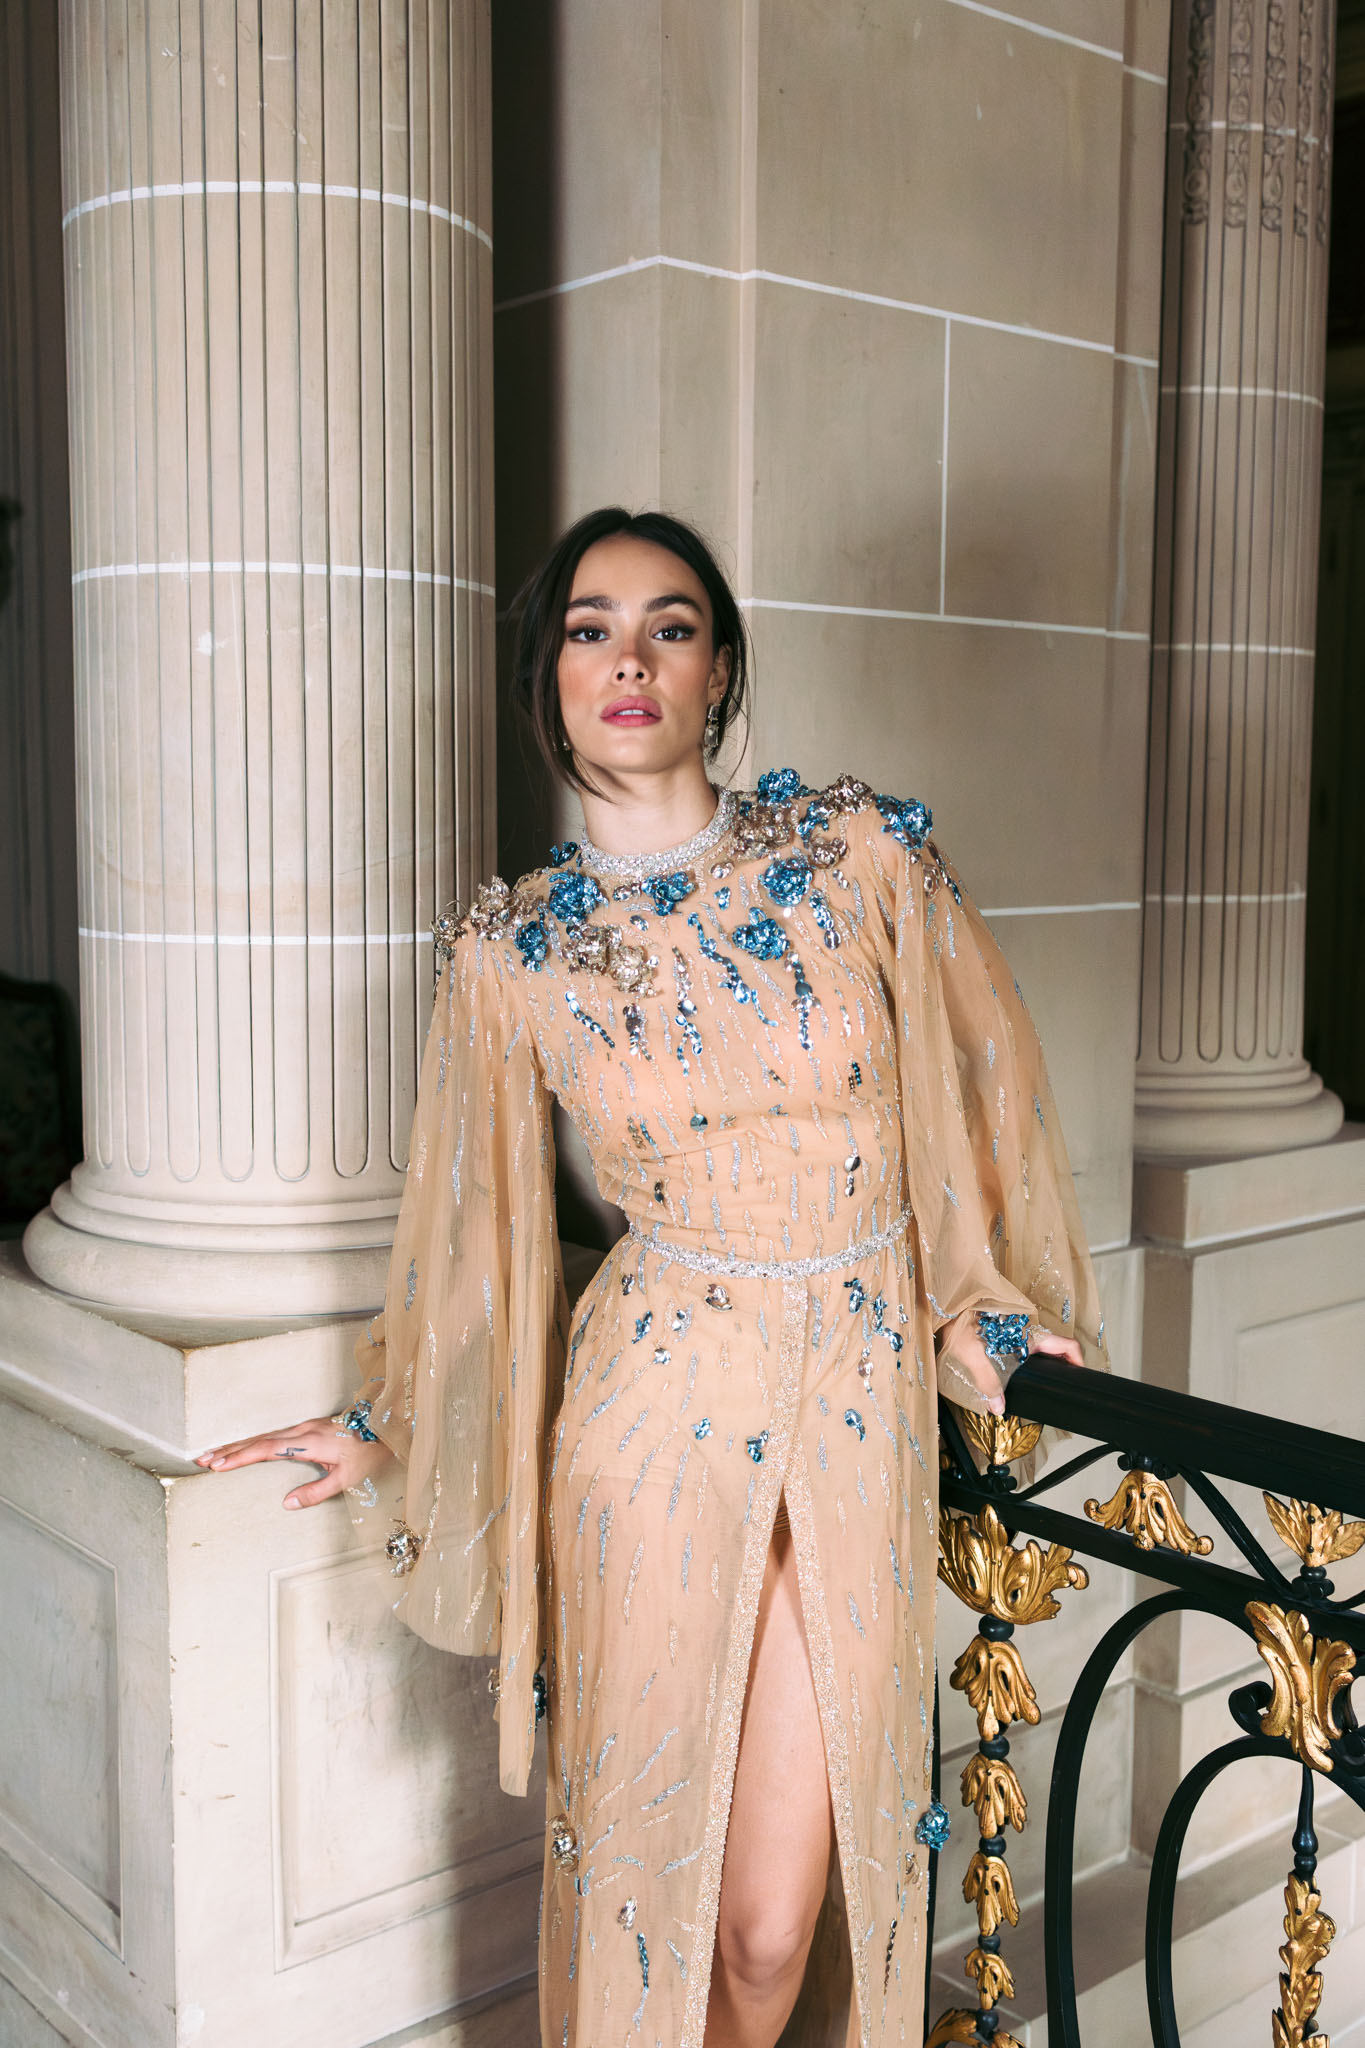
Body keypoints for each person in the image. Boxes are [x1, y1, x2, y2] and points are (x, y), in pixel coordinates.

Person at [198, 507, 1103, 2048]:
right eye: (588, 626)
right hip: (648, 1422)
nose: (629, 656)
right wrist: (384, 1417)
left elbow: (980, 1091)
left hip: (854, 1400)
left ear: (720, 667)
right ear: (547, 675)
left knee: (767, 1930)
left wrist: (979, 1296)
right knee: (649, 1900)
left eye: (669, 625)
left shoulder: (859, 854)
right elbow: (476, 1226)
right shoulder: (511, 950)